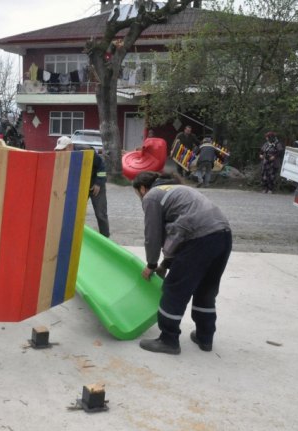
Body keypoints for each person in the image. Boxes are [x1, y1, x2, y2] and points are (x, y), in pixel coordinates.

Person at [133, 171, 232, 355]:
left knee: (174, 290)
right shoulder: (179, 189)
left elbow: (153, 236)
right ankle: (205, 337)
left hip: (200, 238)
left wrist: (152, 264)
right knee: (205, 288)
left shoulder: (152, 196)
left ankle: (168, 340)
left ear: (142, 188)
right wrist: (166, 264)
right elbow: (177, 235)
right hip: (223, 235)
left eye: (138, 194)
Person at [54, 136, 109, 237]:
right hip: (80, 185)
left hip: (95, 184)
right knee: (75, 213)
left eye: (63, 149)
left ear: (70, 146)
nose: (60, 153)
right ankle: (74, 237)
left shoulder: (86, 151)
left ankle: (106, 238)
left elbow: (102, 166)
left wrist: (98, 183)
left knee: (100, 214)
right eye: (58, 150)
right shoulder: (63, 156)